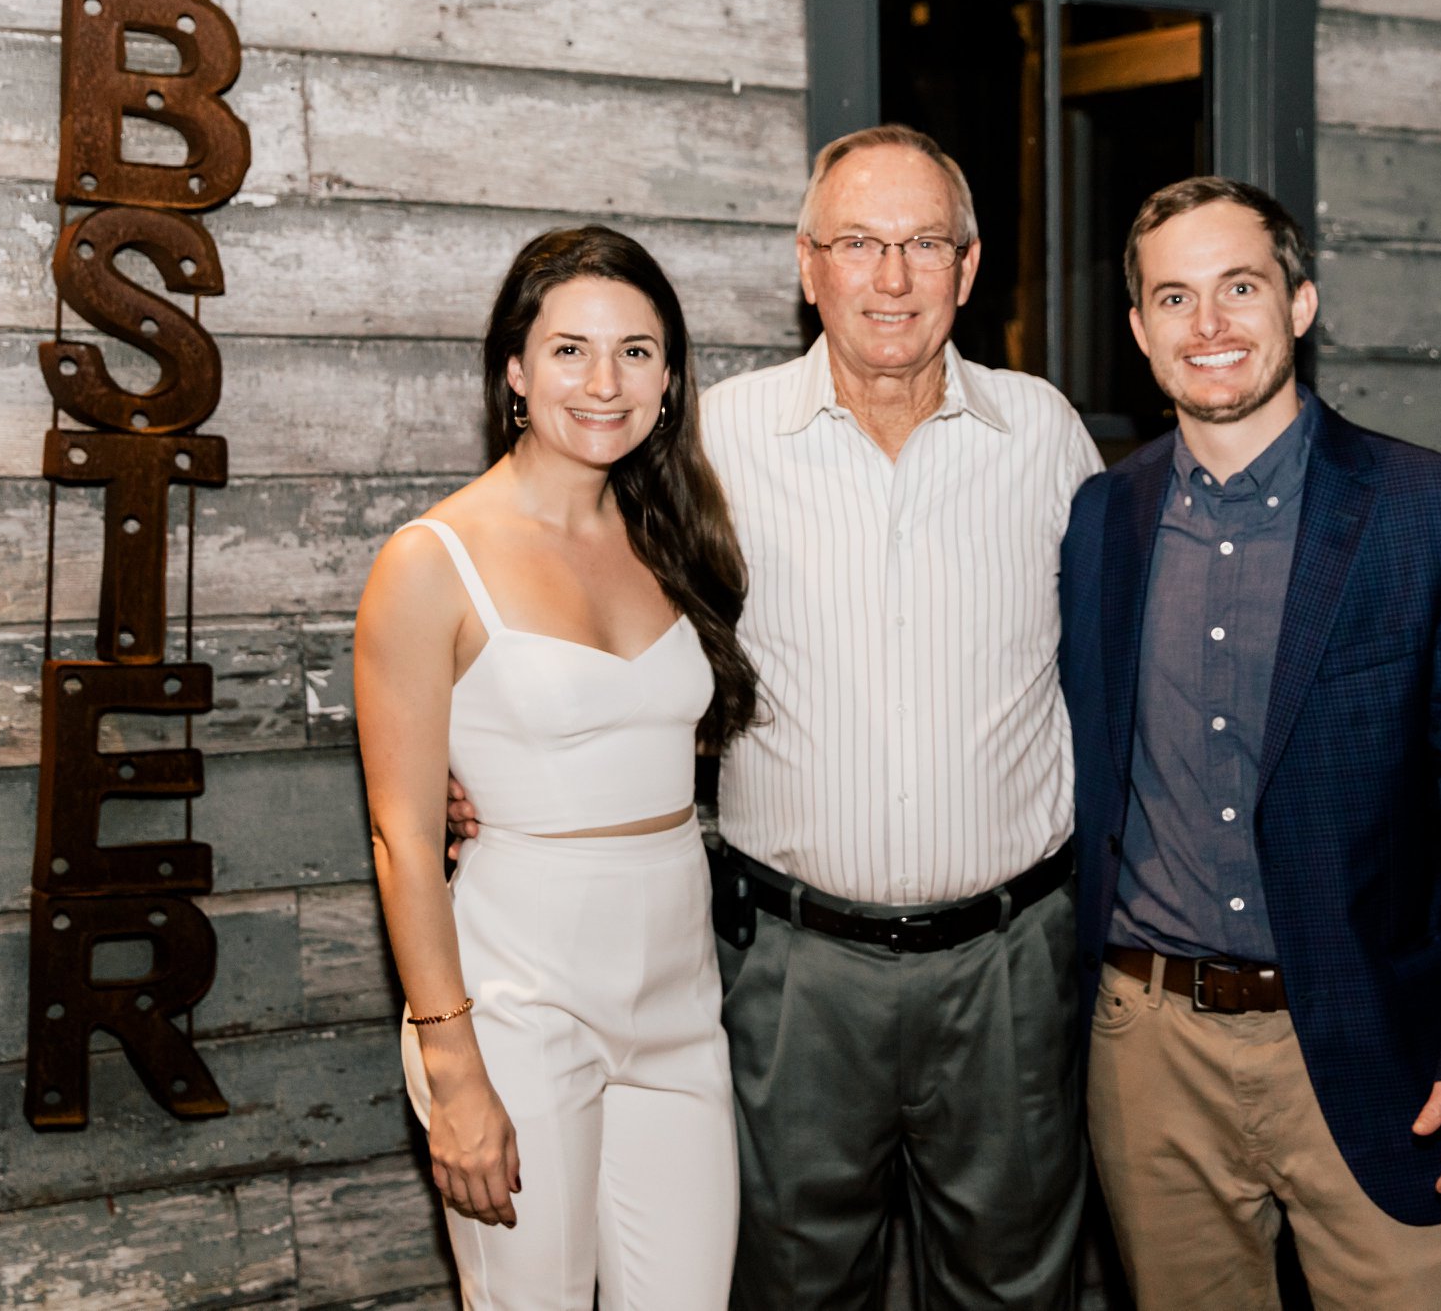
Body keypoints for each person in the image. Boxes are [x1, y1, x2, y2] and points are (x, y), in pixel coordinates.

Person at [450, 125, 1102, 1308]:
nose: (889, 277)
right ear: (807, 265)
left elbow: (1114, 659)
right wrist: (485, 764)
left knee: (1018, 1287)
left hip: (1008, 964)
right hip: (792, 970)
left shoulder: (1046, 436)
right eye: (857, 242)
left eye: (921, 244)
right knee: (789, 1284)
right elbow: (562, 590)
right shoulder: (709, 438)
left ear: (968, 266)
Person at [1058, 177, 1441, 1310]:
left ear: (1298, 301)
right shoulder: (1103, 520)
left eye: (1238, 286)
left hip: (1379, 1038)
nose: (1209, 325)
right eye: (1173, 297)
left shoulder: (1434, 514)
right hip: (1149, 1049)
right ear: (1138, 332)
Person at [356, 226, 757, 1310]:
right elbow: (400, 833)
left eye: (637, 351)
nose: (605, 380)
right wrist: (452, 1065)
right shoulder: (430, 560)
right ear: (514, 370)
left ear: (670, 381)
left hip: (679, 997)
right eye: (570, 348)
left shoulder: (671, 534)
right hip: (516, 998)